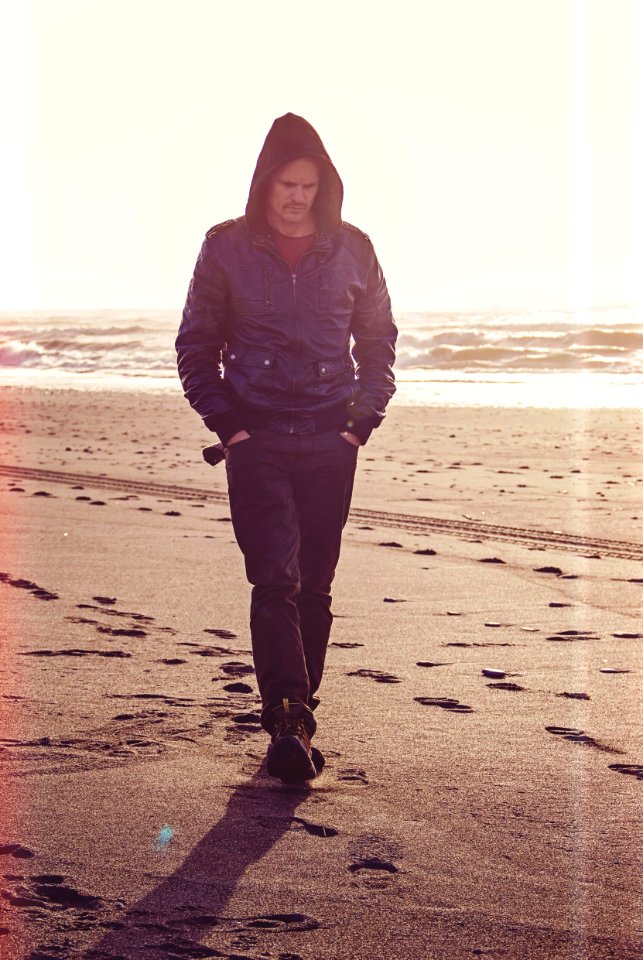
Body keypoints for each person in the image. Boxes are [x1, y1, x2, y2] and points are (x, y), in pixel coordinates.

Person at [176, 112, 397, 783]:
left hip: (332, 439)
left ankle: (299, 713)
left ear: (323, 185)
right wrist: (230, 426)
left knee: (315, 586)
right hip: (259, 439)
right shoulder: (225, 247)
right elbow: (195, 345)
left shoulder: (353, 248)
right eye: (285, 184)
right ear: (264, 183)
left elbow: (379, 343)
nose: (296, 196)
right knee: (275, 577)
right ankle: (289, 721)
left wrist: (361, 422)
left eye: (307, 184)